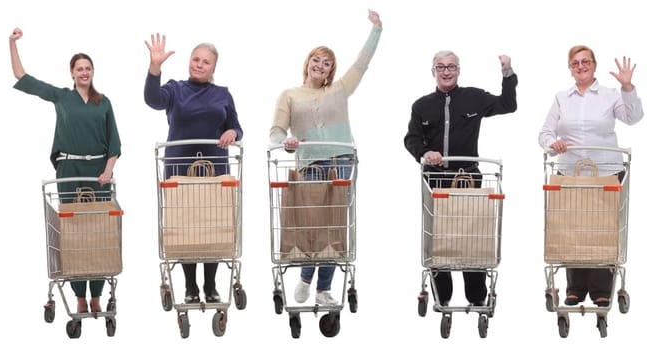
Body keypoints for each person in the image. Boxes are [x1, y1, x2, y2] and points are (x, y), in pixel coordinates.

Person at [270, 10, 381, 306]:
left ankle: (323, 289)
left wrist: (376, 30)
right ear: (308, 64)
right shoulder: (289, 95)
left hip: (342, 160)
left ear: (331, 71)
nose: (321, 65)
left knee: (334, 225)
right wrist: (288, 142)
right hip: (310, 165)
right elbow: (276, 132)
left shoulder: (340, 90)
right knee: (312, 224)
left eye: (327, 63)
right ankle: (307, 278)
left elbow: (362, 63)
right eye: (316, 60)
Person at [9, 28, 121, 314]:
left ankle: (96, 295)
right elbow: (23, 78)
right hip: (69, 169)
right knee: (73, 231)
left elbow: (114, 143)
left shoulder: (103, 102)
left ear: (93, 71)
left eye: (88, 68)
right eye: (78, 68)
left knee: (97, 232)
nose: (84, 72)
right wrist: (12, 44)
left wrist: (107, 171)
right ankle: (79, 296)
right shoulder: (61, 97)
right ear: (71, 73)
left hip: (98, 173)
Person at [403, 50, 517, 307]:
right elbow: (411, 138)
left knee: (471, 237)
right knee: (439, 237)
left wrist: (507, 73)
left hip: (468, 179)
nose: (446, 71)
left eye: (451, 67)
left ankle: (476, 297)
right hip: (435, 182)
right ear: (433, 71)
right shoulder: (422, 105)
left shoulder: (474, 98)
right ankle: (442, 296)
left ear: (458, 71)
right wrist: (424, 152)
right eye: (440, 67)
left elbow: (508, 105)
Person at [538, 45, 642, 307]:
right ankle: (575, 286)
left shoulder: (610, 95)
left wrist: (628, 88)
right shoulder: (563, 97)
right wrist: (555, 143)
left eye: (586, 61)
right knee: (572, 228)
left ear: (594, 65)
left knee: (601, 229)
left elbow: (633, 118)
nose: (581, 66)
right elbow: (544, 134)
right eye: (575, 63)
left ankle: (600, 288)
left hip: (605, 173)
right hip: (570, 174)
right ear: (570, 68)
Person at [144, 33, 242, 304]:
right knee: (185, 227)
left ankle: (210, 287)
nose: (199, 64)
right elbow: (152, 100)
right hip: (179, 169)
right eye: (195, 59)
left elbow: (236, 126)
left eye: (206, 62)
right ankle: (190, 288)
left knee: (212, 225)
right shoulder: (175, 89)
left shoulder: (222, 94)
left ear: (213, 68)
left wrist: (232, 131)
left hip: (214, 169)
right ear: (189, 61)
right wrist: (155, 68)